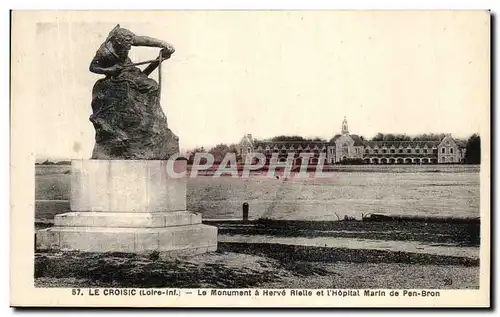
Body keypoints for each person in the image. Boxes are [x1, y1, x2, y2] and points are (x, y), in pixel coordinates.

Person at [88, 25, 179, 159]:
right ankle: (143, 126)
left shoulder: (125, 40)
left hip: (130, 72)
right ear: (118, 43)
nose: (129, 48)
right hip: (117, 75)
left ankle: (152, 125)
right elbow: (93, 67)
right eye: (127, 46)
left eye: (130, 45)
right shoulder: (105, 51)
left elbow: (142, 41)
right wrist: (110, 69)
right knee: (141, 89)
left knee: (152, 86)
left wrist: (164, 46)